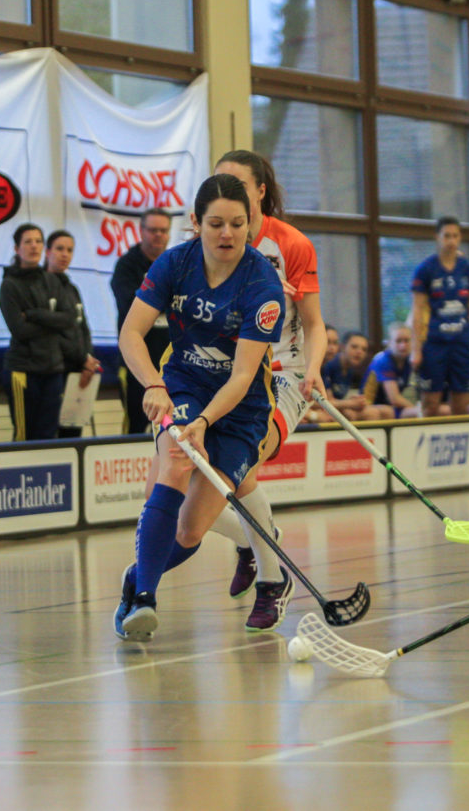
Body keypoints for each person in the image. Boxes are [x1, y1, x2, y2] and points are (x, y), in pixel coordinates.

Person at [112, 173, 287, 641]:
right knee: (173, 463)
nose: (227, 234)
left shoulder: (262, 285)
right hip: (184, 387)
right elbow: (130, 334)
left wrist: (207, 422)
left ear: (250, 224)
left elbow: (243, 376)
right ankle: (144, 599)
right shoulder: (174, 263)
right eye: (215, 224)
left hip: (240, 409)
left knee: (189, 530)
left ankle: (137, 576)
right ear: (196, 222)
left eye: (237, 224)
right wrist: (154, 384)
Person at [199, 150, 328, 620]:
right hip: (226, 372)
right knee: (192, 483)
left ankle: (272, 580)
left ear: (259, 191)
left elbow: (314, 324)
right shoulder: (206, 242)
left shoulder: (291, 244)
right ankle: (254, 541)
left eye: (237, 184)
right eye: (219, 182)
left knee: (242, 459)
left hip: (283, 373)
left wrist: (314, 368)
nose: (226, 192)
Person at [0, 223, 77, 441]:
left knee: (48, 434)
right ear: (17, 248)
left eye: (38, 241)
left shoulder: (52, 280)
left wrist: (34, 314)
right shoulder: (9, 285)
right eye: (28, 242)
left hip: (53, 369)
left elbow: (69, 318)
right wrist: (52, 321)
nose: (34, 246)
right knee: (25, 435)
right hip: (23, 370)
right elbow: (19, 329)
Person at [411, 217, 469, 417]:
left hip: (462, 342)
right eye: (447, 236)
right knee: (430, 404)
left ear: (460, 238)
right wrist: (416, 349)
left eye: (455, 236)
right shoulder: (425, 269)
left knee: (462, 404)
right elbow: (417, 310)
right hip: (434, 343)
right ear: (438, 237)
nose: (451, 241)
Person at [110, 209, 173, 435]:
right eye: (153, 230)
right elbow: (129, 302)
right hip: (136, 364)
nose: (158, 235)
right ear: (141, 231)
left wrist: (154, 302)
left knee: (171, 426)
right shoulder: (127, 265)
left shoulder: (173, 264)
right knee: (136, 424)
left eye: (163, 230)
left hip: (171, 362)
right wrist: (166, 301)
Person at [44, 230, 102, 437]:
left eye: (69, 250)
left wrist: (88, 358)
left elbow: (82, 327)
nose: (64, 254)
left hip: (78, 371)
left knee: (73, 431)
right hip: (55, 369)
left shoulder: (71, 288)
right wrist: (80, 359)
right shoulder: (42, 287)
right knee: (51, 433)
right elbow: (53, 331)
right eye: (59, 249)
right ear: (47, 252)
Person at [320, 331, 393, 422]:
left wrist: (354, 401)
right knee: (370, 413)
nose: (359, 352)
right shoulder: (329, 365)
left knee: (387, 411)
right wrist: (350, 403)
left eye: (364, 349)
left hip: (335, 407)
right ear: (342, 347)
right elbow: (326, 401)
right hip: (322, 408)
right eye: (354, 347)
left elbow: (337, 399)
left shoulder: (350, 369)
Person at [363, 322, 419, 418]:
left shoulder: (408, 360)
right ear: (389, 343)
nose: (403, 345)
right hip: (369, 407)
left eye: (406, 341)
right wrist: (417, 409)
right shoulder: (383, 360)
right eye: (398, 341)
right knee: (419, 413)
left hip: (390, 407)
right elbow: (394, 399)